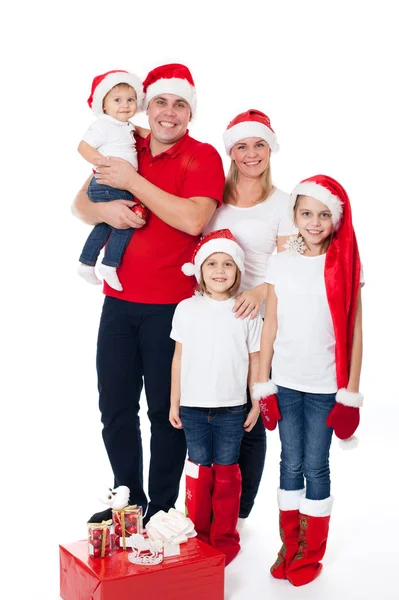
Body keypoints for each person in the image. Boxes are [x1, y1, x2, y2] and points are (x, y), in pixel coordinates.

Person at [72, 63, 225, 524]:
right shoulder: (124, 142)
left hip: (172, 311)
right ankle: (129, 499)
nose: (169, 113)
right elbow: (79, 204)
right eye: (160, 101)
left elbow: (194, 220)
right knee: (115, 406)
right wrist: (110, 210)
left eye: (180, 105)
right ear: (145, 105)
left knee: (165, 411)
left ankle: (161, 507)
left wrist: (134, 183)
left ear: (190, 114)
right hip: (118, 305)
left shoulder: (203, 157)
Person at [253, 175, 364, 586]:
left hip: (323, 386)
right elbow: (271, 324)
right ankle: (289, 545)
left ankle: (309, 554)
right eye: (306, 213)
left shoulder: (346, 263)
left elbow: (355, 331)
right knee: (289, 463)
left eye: (323, 215)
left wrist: (350, 392)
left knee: (316, 467)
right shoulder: (280, 261)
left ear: (335, 219)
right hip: (285, 381)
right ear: (294, 216)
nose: (314, 223)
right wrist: (261, 382)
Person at [204, 109, 295, 522]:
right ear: (231, 152)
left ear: (270, 150)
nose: (251, 153)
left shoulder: (283, 202)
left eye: (259, 144)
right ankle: (208, 500)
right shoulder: (214, 201)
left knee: (249, 411)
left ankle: (239, 511)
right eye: (242, 145)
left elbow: (295, 260)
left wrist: (261, 290)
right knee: (212, 406)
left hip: (261, 318)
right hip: (214, 318)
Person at [169, 229, 262, 565]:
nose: (219, 270)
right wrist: (173, 401)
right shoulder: (186, 309)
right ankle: (199, 534)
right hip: (193, 408)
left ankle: (224, 537)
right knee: (198, 469)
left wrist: (255, 402)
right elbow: (178, 357)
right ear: (199, 269)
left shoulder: (245, 311)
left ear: (237, 271)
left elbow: (254, 359)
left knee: (226, 472)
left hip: (232, 409)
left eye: (227, 264)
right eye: (211, 263)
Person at [77, 70, 145, 291]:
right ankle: (110, 264)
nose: (125, 105)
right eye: (117, 100)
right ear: (103, 106)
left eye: (130, 100)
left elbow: (148, 133)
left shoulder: (126, 126)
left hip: (116, 185)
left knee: (107, 224)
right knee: (126, 220)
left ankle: (86, 263)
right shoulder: (103, 124)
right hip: (108, 183)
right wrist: (102, 162)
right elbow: (83, 147)